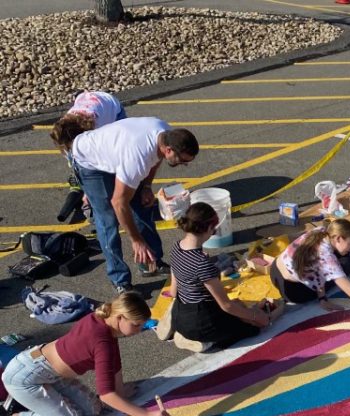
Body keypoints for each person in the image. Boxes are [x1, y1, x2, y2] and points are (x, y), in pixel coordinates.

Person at [0, 292, 172, 416]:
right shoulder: (100, 340)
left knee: (93, 410)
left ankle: (43, 398)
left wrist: (120, 393)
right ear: (120, 317)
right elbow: (106, 396)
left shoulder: (104, 320)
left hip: (46, 371)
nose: (138, 330)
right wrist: (147, 415)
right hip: (24, 378)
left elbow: (114, 363)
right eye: (136, 325)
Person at [71, 117, 199, 293]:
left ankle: (150, 263)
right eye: (182, 160)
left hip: (117, 154)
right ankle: (120, 280)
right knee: (107, 220)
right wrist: (136, 240)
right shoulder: (137, 159)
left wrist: (146, 186)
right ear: (169, 149)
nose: (183, 165)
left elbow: (157, 158)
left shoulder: (166, 133)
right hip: (90, 162)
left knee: (142, 204)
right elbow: (119, 202)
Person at [166, 202, 280, 352]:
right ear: (207, 228)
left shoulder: (176, 247)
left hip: (180, 314)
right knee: (252, 329)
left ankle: (178, 328)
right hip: (202, 323)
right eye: (214, 229)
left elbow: (174, 292)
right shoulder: (202, 264)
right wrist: (255, 316)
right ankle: (206, 342)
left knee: (238, 305)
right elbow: (226, 305)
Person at [50, 90, 127, 221]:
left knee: (118, 155)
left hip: (113, 109)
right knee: (74, 157)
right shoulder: (64, 126)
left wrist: (90, 191)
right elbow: (73, 157)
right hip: (88, 102)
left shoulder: (96, 127)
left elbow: (102, 160)